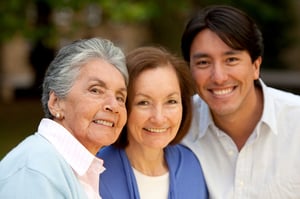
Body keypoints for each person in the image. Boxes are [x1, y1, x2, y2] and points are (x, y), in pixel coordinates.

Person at [180, 4, 300, 199]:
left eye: (231, 60)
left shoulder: (296, 123)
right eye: (203, 63)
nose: (218, 77)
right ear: (190, 70)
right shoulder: (175, 126)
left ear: (255, 66)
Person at [0, 38, 128, 198]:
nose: (113, 106)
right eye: (96, 90)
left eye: (120, 97)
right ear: (55, 103)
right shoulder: (36, 170)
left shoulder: (75, 169)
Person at [97, 46, 208, 199]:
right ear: (123, 106)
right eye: (143, 102)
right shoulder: (95, 174)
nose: (159, 118)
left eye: (171, 101)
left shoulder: (192, 166)